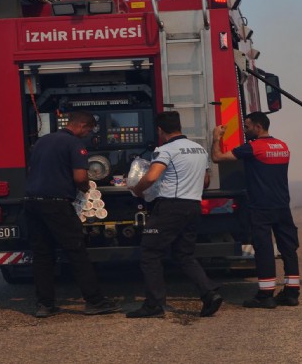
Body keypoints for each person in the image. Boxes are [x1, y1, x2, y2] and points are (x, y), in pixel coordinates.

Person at [127, 111, 223, 318]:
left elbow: (152, 177)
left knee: (150, 253)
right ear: (179, 126)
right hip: (193, 206)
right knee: (184, 254)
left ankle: (153, 305)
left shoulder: (165, 150)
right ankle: (209, 293)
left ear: (160, 130)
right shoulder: (199, 149)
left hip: (170, 207)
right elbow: (205, 181)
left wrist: (137, 189)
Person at [25, 111, 120, 318]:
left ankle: (45, 305)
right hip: (56, 204)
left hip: (32, 204)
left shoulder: (43, 141)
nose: (88, 134)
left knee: (42, 255)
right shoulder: (75, 144)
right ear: (82, 125)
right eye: (88, 130)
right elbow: (79, 177)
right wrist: (87, 189)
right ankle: (95, 301)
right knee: (76, 251)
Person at [211, 111, 300, 309]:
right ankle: (292, 293)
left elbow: (217, 158)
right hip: (282, 205)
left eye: (247, 126)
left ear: (258, 127)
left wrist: (216, 138)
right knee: (288, 248)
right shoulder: (283, 146)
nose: (245, 130)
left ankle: (265, 295)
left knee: (264, 250)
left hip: (261, 207)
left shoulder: (253, 148)